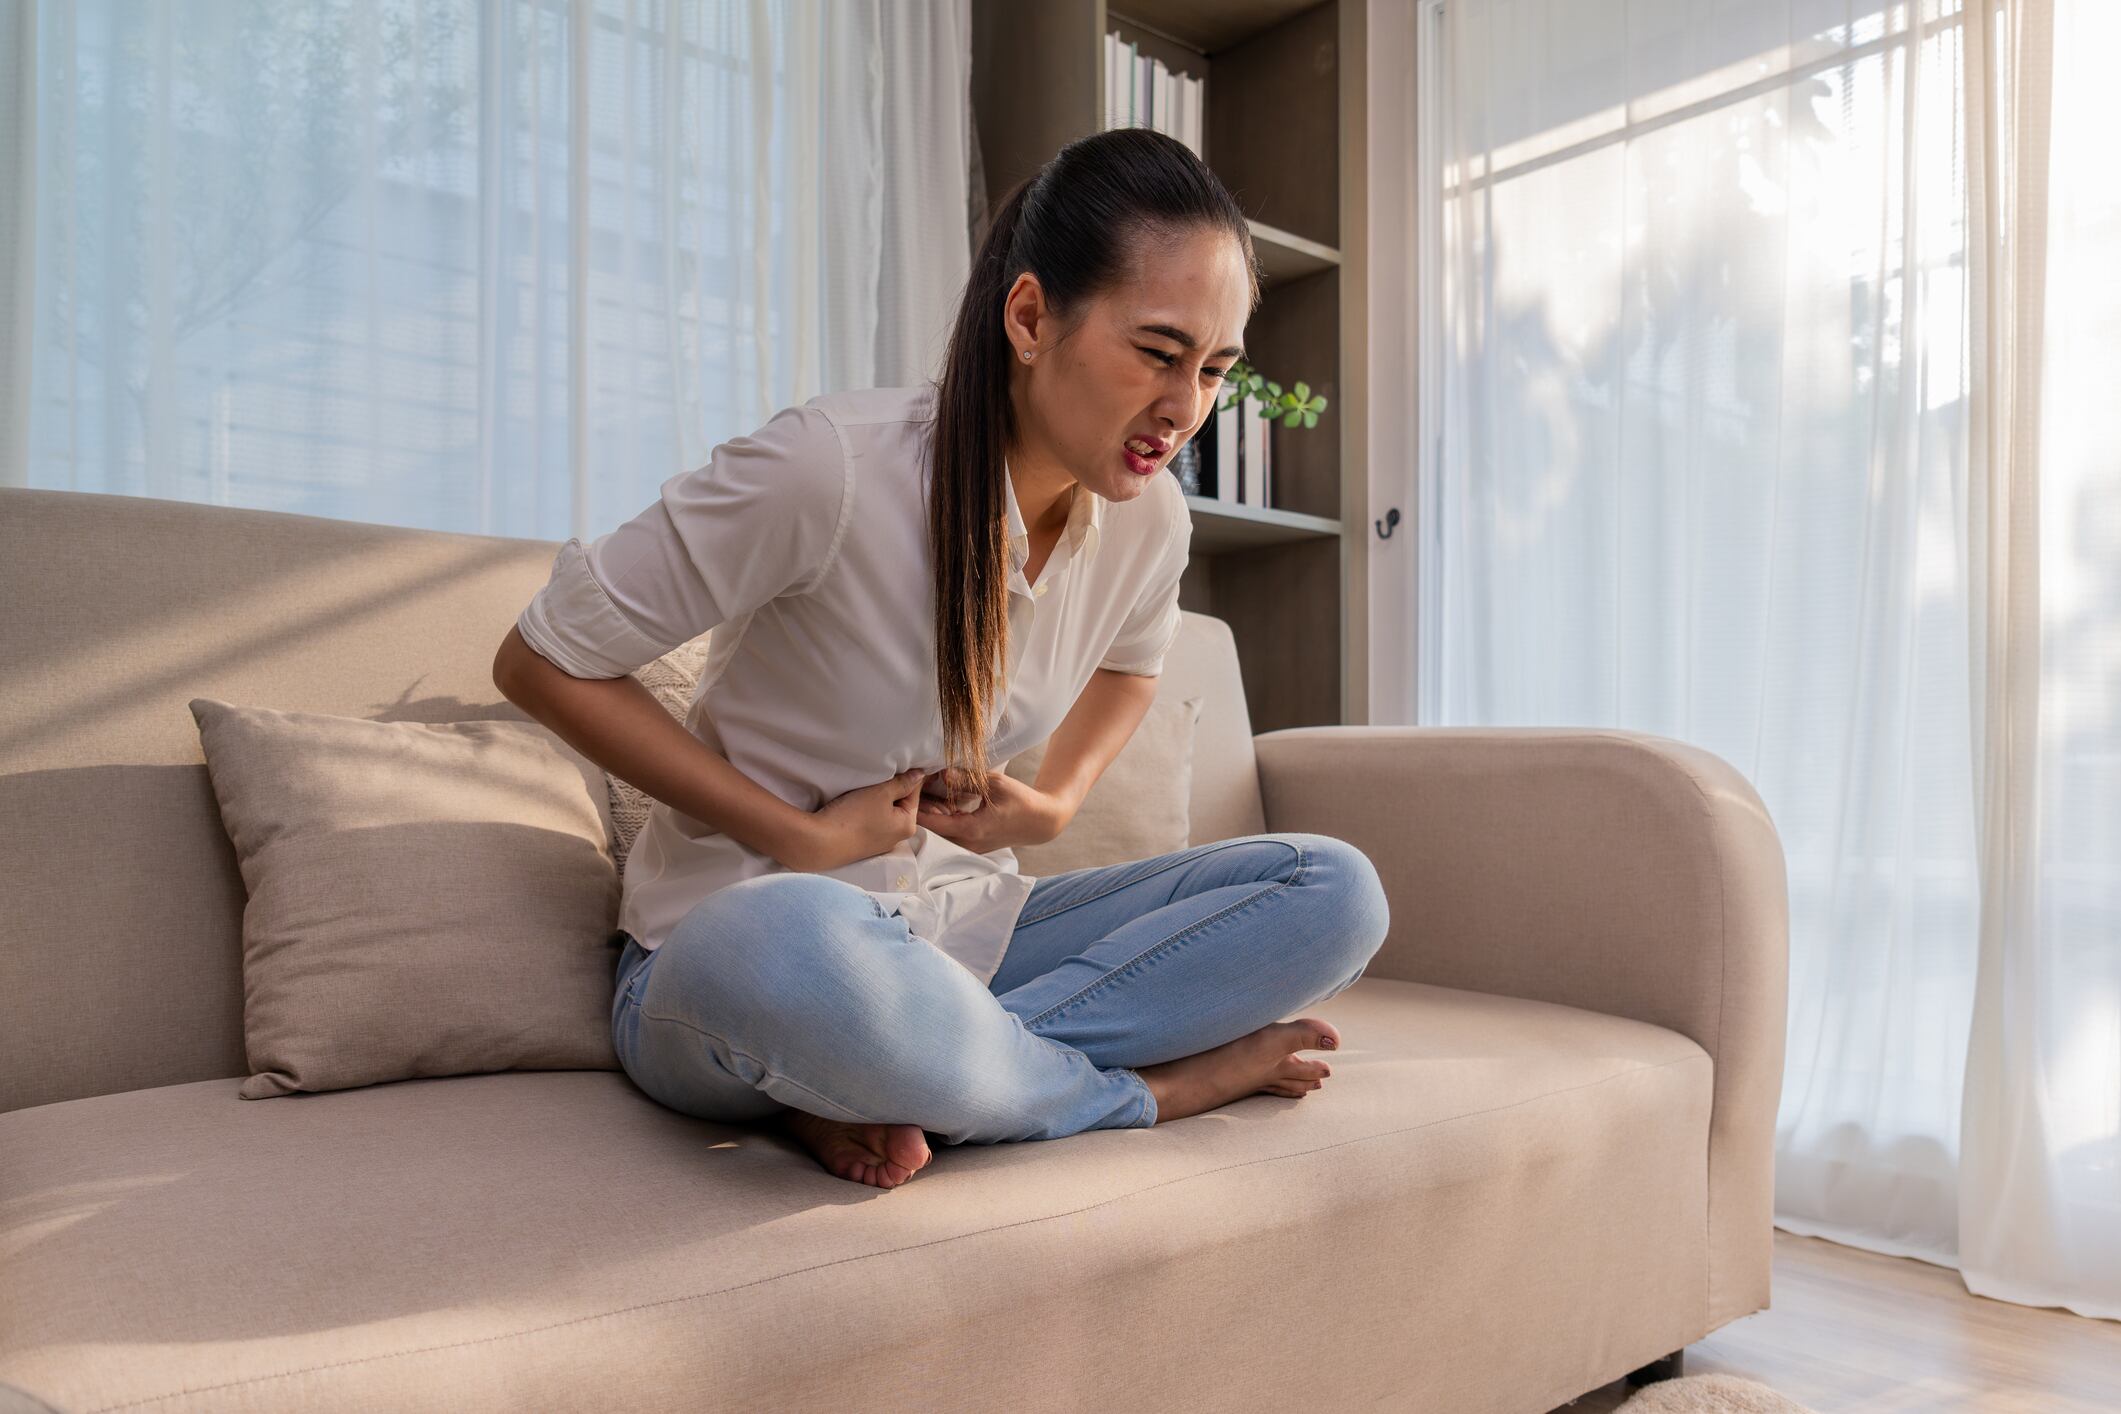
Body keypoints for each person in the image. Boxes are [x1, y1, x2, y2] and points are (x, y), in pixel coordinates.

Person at [495, 127, 1389, 1190]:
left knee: (1334, 889)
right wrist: (796, 835)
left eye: (1214, 370)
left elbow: (1134, 665)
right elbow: (542, 657)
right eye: (1158, 353)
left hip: (956, 935)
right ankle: (1137, 1091)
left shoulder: (1150, 522)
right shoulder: (830, 469)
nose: (1184, 408)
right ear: (1028, 316)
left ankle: (879, 1078)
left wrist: (1052, 803)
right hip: (732, 953)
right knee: (786, 938)